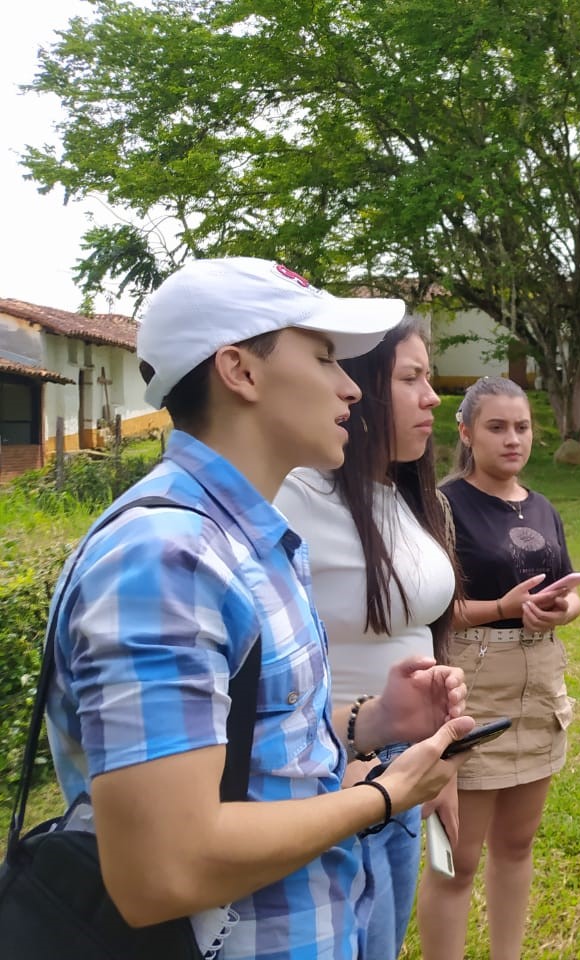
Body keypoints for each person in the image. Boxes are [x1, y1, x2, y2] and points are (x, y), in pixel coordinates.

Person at [44, 257, 477, 960]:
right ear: (241, 372)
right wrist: (385, 796)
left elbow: (255, 750)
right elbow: (163, 868)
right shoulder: (165, 559)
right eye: (325, 357)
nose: (348, 388)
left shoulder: (248, 542)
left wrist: (374, 719)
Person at [274, 315, 459, 960]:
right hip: (329, 770)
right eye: (411, 378)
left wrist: (438, 759)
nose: (432, 397)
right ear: (359, 389)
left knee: (382, 939)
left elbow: (423, 631)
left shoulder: (408, 496)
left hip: (402, 758)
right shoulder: (293, 496)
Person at [418, 376, 580, 960]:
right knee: (453, 859)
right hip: (470, 682)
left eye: (522, 426)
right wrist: (503, 609)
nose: (513, 439)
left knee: (517, 843)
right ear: (465, 432)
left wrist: (561, 608)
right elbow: (428, 609)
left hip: (539, 684)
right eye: (496, 427)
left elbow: (569, 587)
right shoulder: (440, 504)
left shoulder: (541, 506)